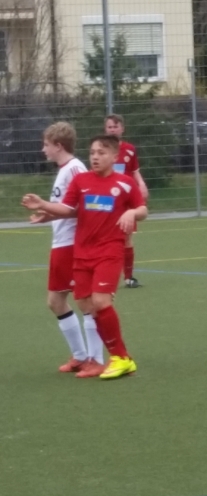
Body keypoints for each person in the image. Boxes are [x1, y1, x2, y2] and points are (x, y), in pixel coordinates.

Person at [22, 134, 148, 379]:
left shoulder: (124, 183)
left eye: (101, 153)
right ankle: (104, 359)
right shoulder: (81, 181)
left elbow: (142, 209)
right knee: (86, 304)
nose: (95, 157)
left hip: (109, 251)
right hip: (82, 253)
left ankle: (120, 358)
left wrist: (132, 213)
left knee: (101, 302)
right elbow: (68, 209)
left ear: (114, 156)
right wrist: (43, 205)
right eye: (92, 153)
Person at [35, 122, 105, 378]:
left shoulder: (75, 168)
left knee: (85, 301)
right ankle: (80, 356)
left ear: (58, 146)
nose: (43, 150)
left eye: (46, 145)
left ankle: (96, 359)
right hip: (61, 243)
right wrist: (49, 215)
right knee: (55, 302)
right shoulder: (65, 170)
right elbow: (67, 208)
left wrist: (46, 206)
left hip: (72, 244)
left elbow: (85, 206)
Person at [104, 114, 148, 288]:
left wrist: (141, 184)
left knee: (127, 238)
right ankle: (103, 272)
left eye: (115, 126)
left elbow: (135, 171)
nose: (112, 130)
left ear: (122, 129)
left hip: (125, 200)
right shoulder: (102, 149)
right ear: (105, 129)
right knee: (105, 238)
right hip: (107, 200)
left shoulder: (129, 149)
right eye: (109, 127)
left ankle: (129, 277)